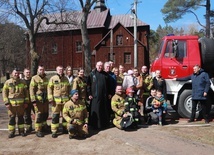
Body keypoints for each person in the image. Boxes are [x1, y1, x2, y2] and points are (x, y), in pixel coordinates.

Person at [2, 69, 29, 138]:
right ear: (12, 73)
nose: (16, 74)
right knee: (12, 119)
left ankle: (21, 131)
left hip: (21, 105)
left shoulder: (23, 82)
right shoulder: (8, 82)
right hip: (11, 105)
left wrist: (26, 102)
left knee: (21, 118)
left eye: (17, 73)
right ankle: (11, 132)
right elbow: (4, 93)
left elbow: (26, 93)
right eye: (15, 73)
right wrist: (6, 103)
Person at [48, 65, 71, 138]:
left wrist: (70, 99)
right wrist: (50, 98)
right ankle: (54, 131)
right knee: (55, 116)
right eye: (59, 70)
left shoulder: (66, 79)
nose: (60, 71)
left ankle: (65, 129)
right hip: (56, 102)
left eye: (61, 69)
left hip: (65, 102)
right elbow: (49, 89)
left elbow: (69, 89)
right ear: (56, 70)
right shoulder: (53, 78)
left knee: (65, 116)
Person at [87, 61, 111, 130]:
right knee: (96, 110)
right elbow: (88, 85)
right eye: (98, 65)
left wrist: (109, 93)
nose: (100, 67)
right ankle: (94, 125)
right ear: (96, 65)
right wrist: (89, 94)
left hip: (104, 97)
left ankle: (104, 125)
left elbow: (108, 85)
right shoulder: (92, 74)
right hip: (95, 97)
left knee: (103, 110)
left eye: (101, 65)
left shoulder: (105, 75)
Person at [30, 65, 49, 137]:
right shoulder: (34, 78)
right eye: (40, 69)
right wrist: (33, 100)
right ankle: (38, 130)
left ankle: (44, 127)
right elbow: (32, 90)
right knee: (39, 115)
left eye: (43, 69)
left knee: (45, 114)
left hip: (45, 100)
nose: (42, 71)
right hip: (38, 101)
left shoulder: (46, 79)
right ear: (38, 70)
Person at [23, 68, 33, 134]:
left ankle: (41, 127)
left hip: (34, 100)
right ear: (24, 73)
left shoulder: (33, 80)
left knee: (39, 114)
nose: (28, 73)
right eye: (27, 72)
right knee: (27, 115)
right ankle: (28, 128)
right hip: (26, 102)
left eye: (29, 72)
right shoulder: (22, 81)